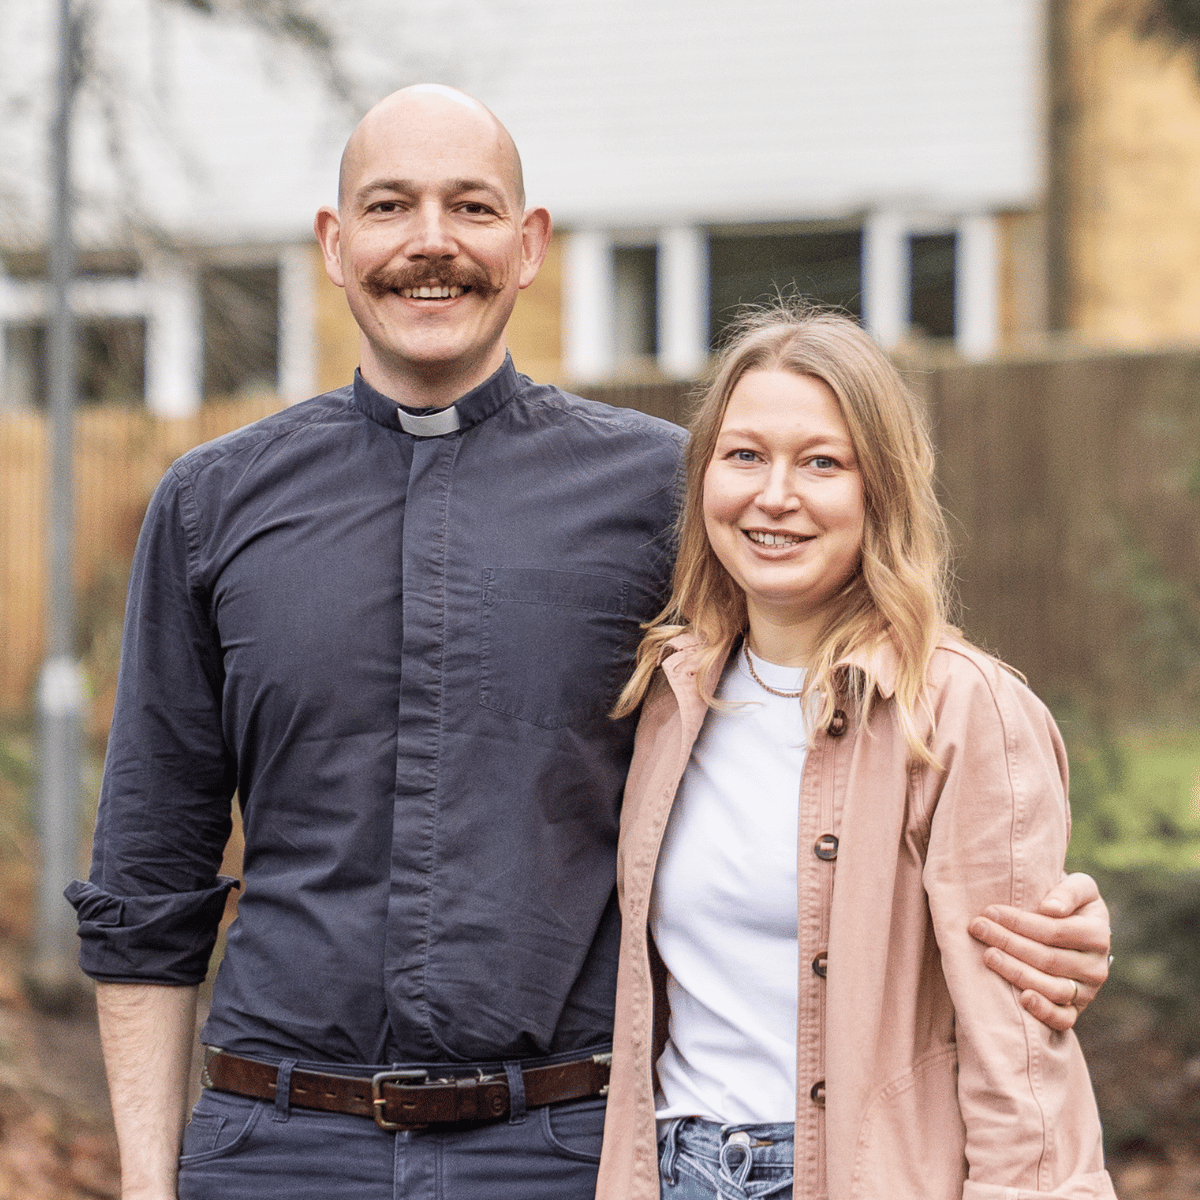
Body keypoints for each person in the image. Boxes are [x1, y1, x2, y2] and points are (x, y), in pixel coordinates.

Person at [66, 88, 1111, 1200]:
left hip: (563, 1149)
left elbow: (834, 693)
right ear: (334, 244)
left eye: (471, 207)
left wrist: (1021, 907)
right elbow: (149, 879)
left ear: (529, 246)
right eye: (390, 206)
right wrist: (146, 1179)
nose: (431, 242)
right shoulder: (211, 506)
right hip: (276, 1144)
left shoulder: (670, 496)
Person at [597, 304, 1118, 1200]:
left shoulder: (960, 711)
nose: (775, 496)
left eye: (823, 462)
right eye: (745, 455)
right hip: (672, 1170)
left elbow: (1018, 1050)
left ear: (882, 490)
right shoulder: (668, 696)